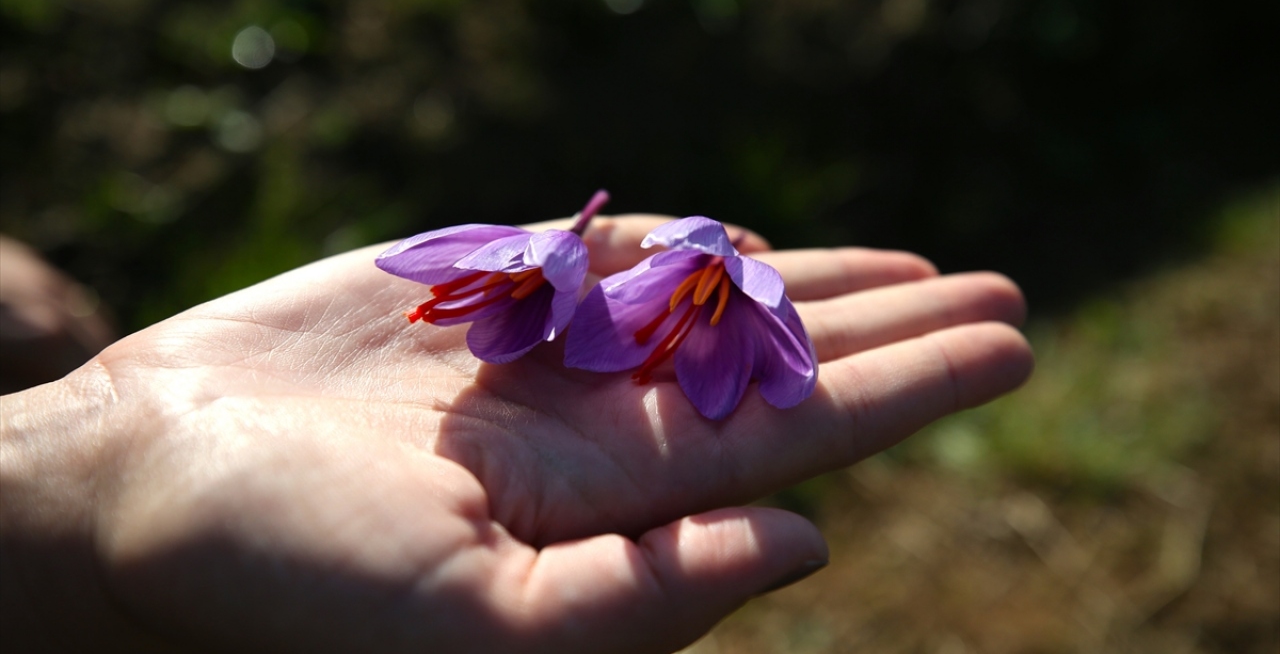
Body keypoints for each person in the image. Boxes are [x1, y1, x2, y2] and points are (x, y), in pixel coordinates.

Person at [0, 214, 1033, 653]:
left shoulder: (669, 282)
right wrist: (103, 459)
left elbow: (621, 331)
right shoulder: (592, 279)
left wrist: (101, 462)